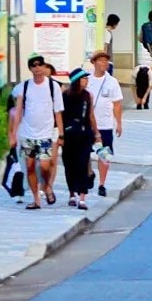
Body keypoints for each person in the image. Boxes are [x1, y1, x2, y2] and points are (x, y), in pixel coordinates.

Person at [10, 56, 64, 209]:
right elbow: (18, 111)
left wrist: (61, 133)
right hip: (28, 134)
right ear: (30, 69)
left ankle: (47, 186)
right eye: (34, 66)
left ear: (44, 66)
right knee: (30, 166)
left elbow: (58, 112)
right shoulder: (24, 87)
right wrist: (14, 134)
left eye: (40, 65)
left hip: (46, 134)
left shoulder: (53, 87)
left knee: (45, 166)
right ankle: (36, 199)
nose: (37, 68)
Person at [86, 50, 124, 197]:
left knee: (104, 155)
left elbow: (117, 105)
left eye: (106, 61)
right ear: (94, 62)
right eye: (100, 60)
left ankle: (102, 184)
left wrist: (118, 123)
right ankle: (89, 173)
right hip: (88, 124)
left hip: (105, 124)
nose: (104, 63)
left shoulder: (112, 82)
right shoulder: (87, 80)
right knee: (85, 153)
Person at [60, 69, 97, 210]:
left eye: (87, 78)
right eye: (84, 78)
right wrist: (61, 135)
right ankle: (71, 194)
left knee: (83, 163)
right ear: (77, 80)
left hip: (84, 133)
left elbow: (91, 116)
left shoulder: (88, 96)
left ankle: (82, 196)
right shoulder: (65, 95)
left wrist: (96, 133)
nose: (86, 81)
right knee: (69, 165)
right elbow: (60, 116)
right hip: (69, 135)